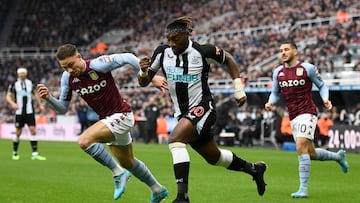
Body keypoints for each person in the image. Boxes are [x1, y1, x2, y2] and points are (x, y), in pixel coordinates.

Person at [138, 16, 267, 202]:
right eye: (169, 40)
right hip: (182, 113)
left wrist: (238, 89)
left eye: (176, 39)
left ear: (187, 35)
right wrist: (143, 71)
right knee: (215, 158)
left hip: (203, 107)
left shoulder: (202, 51)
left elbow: (229, 59)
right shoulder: (162, 52)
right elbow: (143, 82)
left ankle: (182, 197)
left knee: (175, 140)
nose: (171, 44)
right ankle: (254, 169)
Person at [37, 44, 168, 202]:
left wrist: (151, 77)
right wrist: (49, 99)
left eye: (71, 65)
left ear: (79, 57)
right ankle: (157, 189)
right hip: (109, 120)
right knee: (128, 162)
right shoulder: (68, 78)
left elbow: (127, 57)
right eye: (65, 68)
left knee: (84, 141)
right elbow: (63, 108)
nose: (70, 70)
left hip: (122, 115)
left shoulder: (98, 65)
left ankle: (117, 173)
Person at [264, 40, 349, 198]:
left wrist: (325, 99)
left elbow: (322, 85)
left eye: (286, 49)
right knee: (310, 153)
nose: (283, 52)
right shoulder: (277, 72)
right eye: (281, 50)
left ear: (295, 52)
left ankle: (303, 189)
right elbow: (275, 93)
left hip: (307, 112)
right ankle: (338, 157)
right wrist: (270, 102)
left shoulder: (307, 68)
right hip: (293, 116)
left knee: (300, 145)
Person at [6, 67, 46, 161]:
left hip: (29, 111)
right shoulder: (14, 84)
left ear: (26, 74)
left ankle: (35, 154)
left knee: (33, 130)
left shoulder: (29, 83)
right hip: (19, 112)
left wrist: (40, 105)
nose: (22, 74)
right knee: (18, 132)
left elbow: (35, 94)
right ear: (18, 74)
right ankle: (15, 152)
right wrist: (13, 103)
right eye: (20, 73)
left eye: (23, 73)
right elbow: (8, 96)